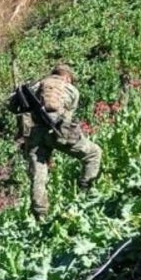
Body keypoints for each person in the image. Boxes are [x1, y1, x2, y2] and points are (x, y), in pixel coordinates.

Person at [13, 63, 103, 219]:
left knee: (38, 175)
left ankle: (40, 216)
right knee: (93, 154)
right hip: (58, 132)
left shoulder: (36, 86)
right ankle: (86, 192)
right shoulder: (71, 89)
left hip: (35, 135)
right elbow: (68, 115)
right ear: (67, 77)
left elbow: (15, 105)